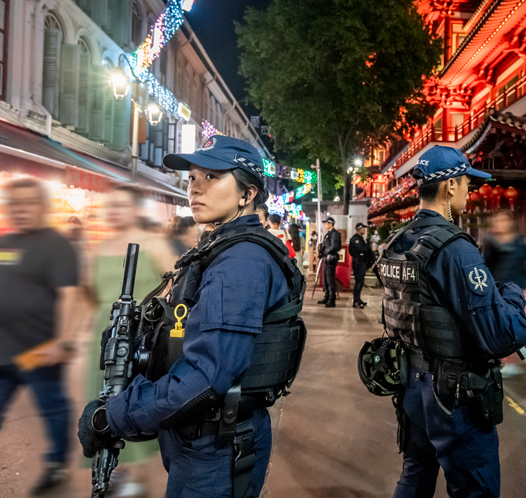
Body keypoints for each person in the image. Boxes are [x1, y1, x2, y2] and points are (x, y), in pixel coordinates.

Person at [77, 135, 305, 498]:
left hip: (215, 448)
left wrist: (114, 417)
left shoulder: (240, 264)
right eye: (192, 178)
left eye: (212, 177)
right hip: (196, 440)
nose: (195, 187)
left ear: (248, 194)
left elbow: (206, 377)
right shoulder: (215, 249)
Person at [377, 146, 526, 498]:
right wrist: (511, 293)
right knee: (476, 488)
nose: (468, 192)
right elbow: (503, 335)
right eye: (466, 184)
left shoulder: (398, 241)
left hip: (413, 385)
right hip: (454, 394)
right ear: (449, 187)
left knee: (415, 477)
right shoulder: (454, 248)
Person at [83, 184, 176, 497]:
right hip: (105, 341)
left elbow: (175, 286)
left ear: (137, 209)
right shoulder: (101, 245)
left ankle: (133, 481)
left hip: (138, 343)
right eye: (111, 205)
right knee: (99, 414)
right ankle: (109, 478)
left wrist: (150, 320)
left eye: (122, 205)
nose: (114, 211)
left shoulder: (153, 243)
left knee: (130, 410)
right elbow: (86, 294)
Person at [0, 177, 79, 495]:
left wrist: (62, 342)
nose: (20, 210)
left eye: (28, 203)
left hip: (39, 349)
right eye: (14, 204)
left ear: (43, 207)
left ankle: (57, 463)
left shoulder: (57, 245)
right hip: (3, 349)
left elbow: (69, 297)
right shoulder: (5, 243)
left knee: (52, 408)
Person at [482, 210, 526, 376]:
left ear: (510, 223)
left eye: (503, 220)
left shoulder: (522, 242)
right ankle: (510, 362)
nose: (499, 224)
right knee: (506, 326)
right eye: (497, 220)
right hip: (501, 290)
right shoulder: (490, 243)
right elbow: (485, 267)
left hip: (523, 287)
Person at [317, 217, 341, 307]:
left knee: (330, 279)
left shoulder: (335, 234)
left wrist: (325, 251)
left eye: (326, 223)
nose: (325, 224)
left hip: (331, 257)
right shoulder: (328, 234)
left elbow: (334, 246)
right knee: (325, 279)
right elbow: (325, 245)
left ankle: (332, 299)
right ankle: (327, 297)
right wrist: (321, 251)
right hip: (326, 257)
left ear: (331, 223)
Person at [348, 223, 372, 308]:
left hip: (362, 262)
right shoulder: (355, 239)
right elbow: (361, 249)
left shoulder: (361, 239)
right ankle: (356, 301)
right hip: (358, 263)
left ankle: (358, 299)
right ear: (359, 229)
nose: (364, 230)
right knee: (358, 282)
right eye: (363, 228)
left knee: (361, 282)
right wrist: (369, 249)